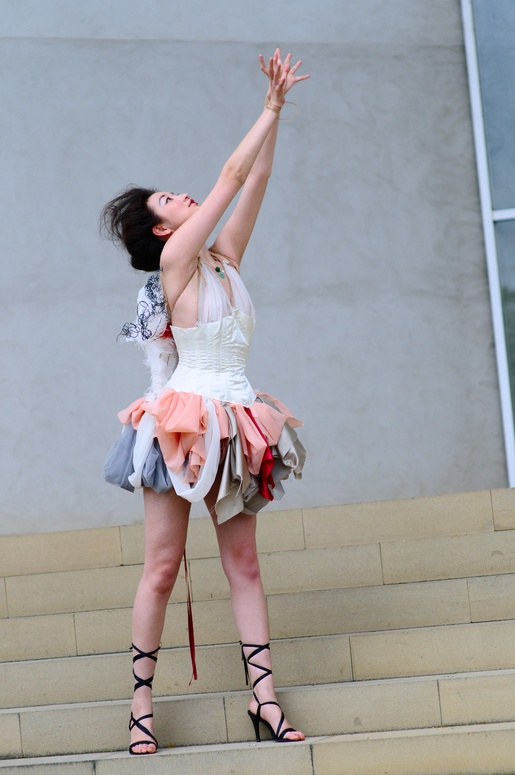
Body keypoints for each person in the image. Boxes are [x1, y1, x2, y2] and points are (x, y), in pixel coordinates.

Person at [101, 49, 309, 754]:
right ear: (161, 231)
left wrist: (278, 114)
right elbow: (230, 176)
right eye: (168, 200)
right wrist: (268, 107)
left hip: (236, 419)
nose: (183, 195)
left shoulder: (225, 261)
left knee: (244, 565)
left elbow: (256, 177)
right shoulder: (175, 264)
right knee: (162, 567)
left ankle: (264, 698)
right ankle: (140, 705)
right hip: (181, 424)